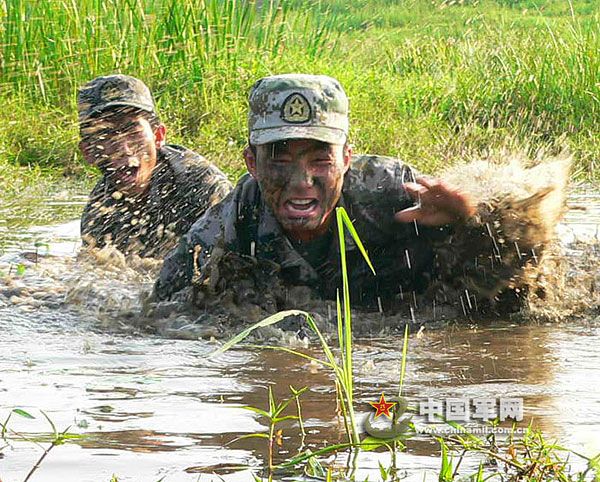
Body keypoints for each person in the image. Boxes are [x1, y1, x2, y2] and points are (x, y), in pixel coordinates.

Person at [153, 74, 562, 319]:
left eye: (320, 160)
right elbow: (160, 309)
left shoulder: (392, 191)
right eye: (279, 159)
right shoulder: (232, 221)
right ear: (251, 163)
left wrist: (469, 220)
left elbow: (520, 271)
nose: (301, 180)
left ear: (346, 158)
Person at [78, 74, 232, 258]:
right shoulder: (99, 213)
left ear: (158, 136)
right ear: (89, 152)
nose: (124, 149)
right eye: (107, 135)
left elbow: (227, 267)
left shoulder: (204, 188)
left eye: (132, 130)